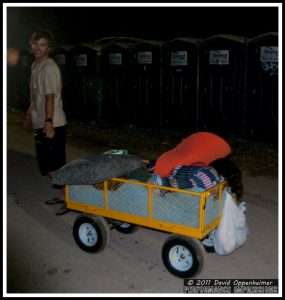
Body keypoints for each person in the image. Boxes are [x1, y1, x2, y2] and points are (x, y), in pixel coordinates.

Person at [23, 30, 69, 215]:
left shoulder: (49, 67)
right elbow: (35, 95)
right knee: (49, 165)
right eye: (35, 44)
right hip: (41, 121)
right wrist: (28, 114)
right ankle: (64, 194)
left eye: (42, 44)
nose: (37, 48)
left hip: (53, 123)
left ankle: (71, 197)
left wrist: (48, 122)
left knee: (53, 165)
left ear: (49, 48)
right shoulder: (35, 65)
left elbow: (50, 97)